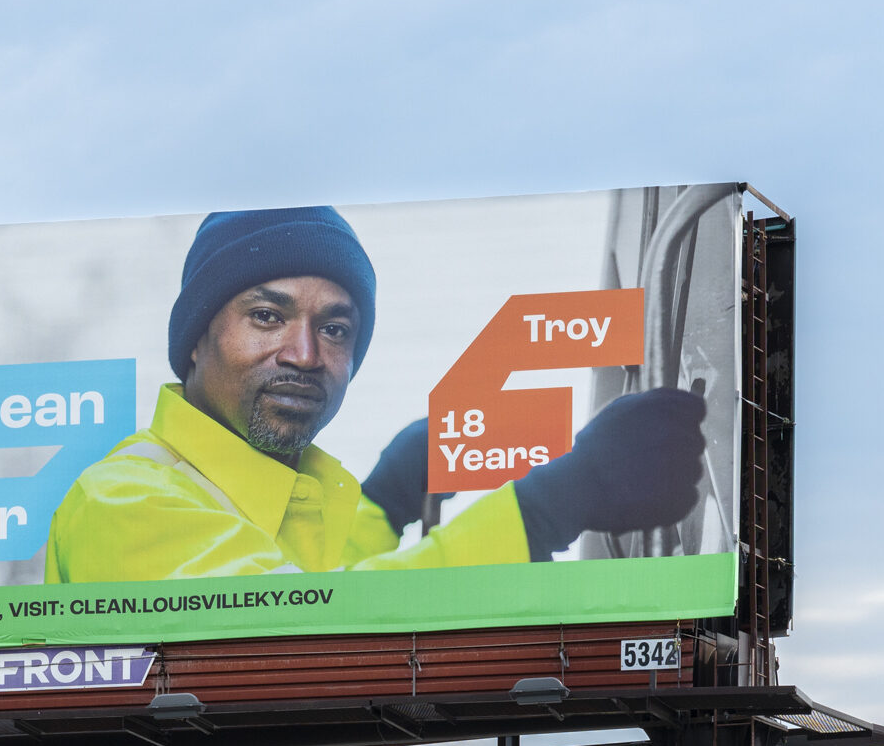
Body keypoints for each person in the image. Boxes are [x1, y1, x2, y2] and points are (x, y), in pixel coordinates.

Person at [42, 206, 706, 584]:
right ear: (194, 339)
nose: (304, 355)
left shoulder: (279, 500)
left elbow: (314, 585)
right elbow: (308, 639)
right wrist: (549, 507)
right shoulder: (126, 502)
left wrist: (384, 499)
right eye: (267, 316)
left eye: (334, 328)